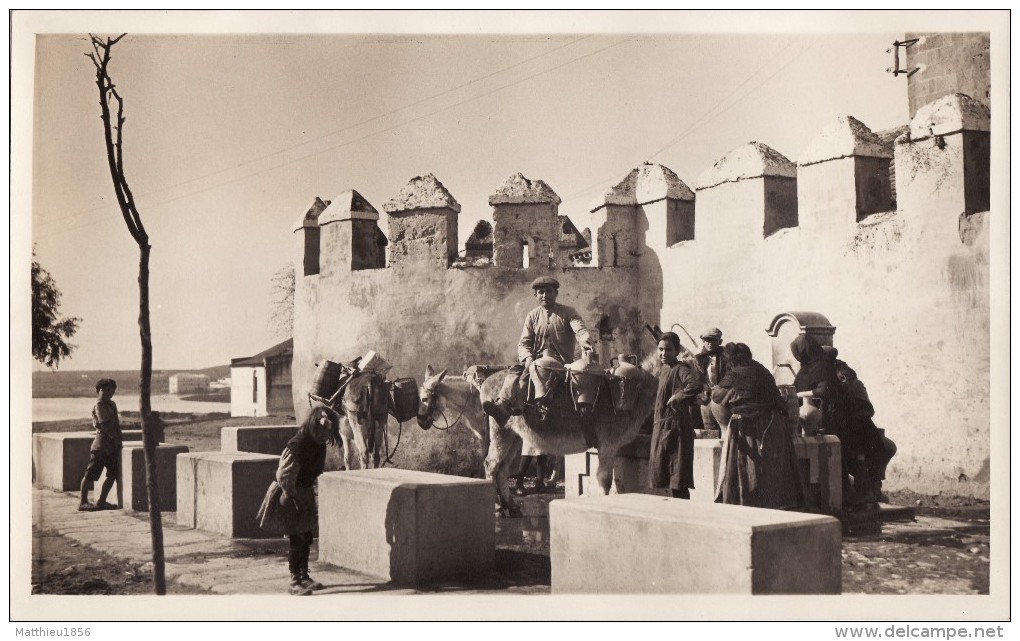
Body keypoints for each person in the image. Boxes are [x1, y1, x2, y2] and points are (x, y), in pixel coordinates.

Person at [483, 276, 597, 429]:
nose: (545, 295)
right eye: (541, 292)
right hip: (536, 363)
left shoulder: (568, 313)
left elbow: (579, 328)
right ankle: (503, 407)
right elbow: (524, 343)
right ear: (535, 296)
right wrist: (528, 357)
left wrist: (585, 337)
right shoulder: (532, 316)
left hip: (560, 364)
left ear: (556, 293)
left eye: (549, 291)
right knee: (515, 372)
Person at [256, 406, 341, 595]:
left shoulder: (318, 444)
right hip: (290, 494)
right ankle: (294, 582)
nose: (328, 437)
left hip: (305, 493)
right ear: (316, 427)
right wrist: (292, 496)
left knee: (306, 537)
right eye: (326, 432)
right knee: (296, 538)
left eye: (330, 433)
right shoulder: (299, 444)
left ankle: (304, 576)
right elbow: (284, 474)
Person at [712, 343, 804, 509]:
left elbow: (717, 397)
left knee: (749, 468)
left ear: (731, 360)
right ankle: (775, 504)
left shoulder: (734, 374)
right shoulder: (763, 371)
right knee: (771, 468)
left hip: (749, 428)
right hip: (773, 425)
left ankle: (749, 503)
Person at [649, 332, 707, 499]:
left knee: (678, 477)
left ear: (676, 351)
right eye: (660, 349)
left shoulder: (680, 368)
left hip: (675, 429)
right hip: (664, 428)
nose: (663, 353)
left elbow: (694, 384)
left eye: (668, 349)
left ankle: (685, 515)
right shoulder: (665, 369)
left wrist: (678, 396)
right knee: (668, 475)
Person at [836, 360, 897, 504]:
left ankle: (871, 491)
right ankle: (870, 490)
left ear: (843, 378)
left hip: (861, 434)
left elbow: (867, 412)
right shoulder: (851, 386)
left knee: (864, 456)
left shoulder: (854, 386)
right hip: (859, 435)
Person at [78, 378, 122, 512]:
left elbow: (116, 425)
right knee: (90, 474)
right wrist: (115, 437)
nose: (107, 392)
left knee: (113, 474)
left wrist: (119, 439)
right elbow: (106, 425)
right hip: (101, 446)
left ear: (113, 392)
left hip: (112, 446)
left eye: (110, 390)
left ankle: (101, 501)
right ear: (98, 391)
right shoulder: (99, 405)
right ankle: (83, 502)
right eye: (103, 390)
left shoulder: (112, 404)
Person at [695, 327, 726, 432]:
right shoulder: (697, 359)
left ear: (720, 341)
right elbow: (695, 378)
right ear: (703, 341)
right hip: (705, 397)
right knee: (708, 425)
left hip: (722, 396)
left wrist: (721, 388)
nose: (710, 343)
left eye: (713, 340)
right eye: (707, 340)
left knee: (725, 426)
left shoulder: (725, 358)